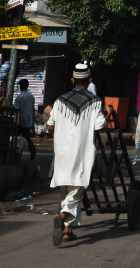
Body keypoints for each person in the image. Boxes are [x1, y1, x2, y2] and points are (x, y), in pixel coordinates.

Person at [46, 63, 107, 246]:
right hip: (81, 155)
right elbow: (100, 125)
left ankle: (67, 231)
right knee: (76, 193)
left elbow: (49, 126)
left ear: (72, 80)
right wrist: (107, 112)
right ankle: (61, 216)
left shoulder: (59, 101)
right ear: (89, 81)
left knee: (66, 193)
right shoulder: (94, 101)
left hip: (62, 155)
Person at [12, 78, 37, 160]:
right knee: (26, 137)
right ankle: (31, 149)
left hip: (20, 120)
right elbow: (32, 109)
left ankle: (17, 154)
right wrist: (32, 121)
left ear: (20, 86)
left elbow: (16, 110)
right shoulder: (31, 96)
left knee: (16, 137)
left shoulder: (19, 97)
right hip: (28, 120)